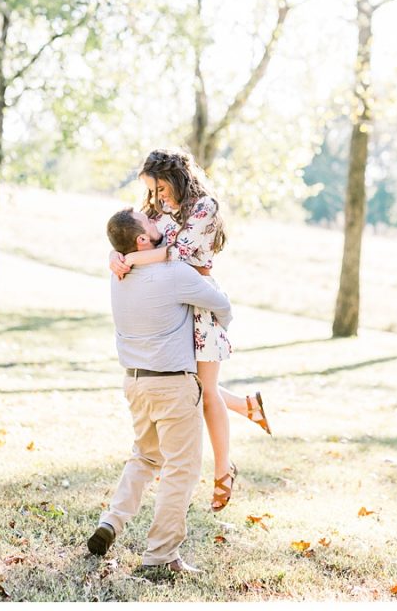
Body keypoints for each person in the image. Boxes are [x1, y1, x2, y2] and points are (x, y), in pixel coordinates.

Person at [108, 148, 269, 511]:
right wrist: (116, 256)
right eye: (152, 191)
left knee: (207, 393)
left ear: (173, 177)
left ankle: (223, 473)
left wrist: (133, 258)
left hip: (197, 301)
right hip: (170, 308)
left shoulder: (204, 207)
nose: (157, 197)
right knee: (192, 386)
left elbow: (179, 252)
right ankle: (248, 407)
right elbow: (132, 235)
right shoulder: (156, 210)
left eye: (160, 188)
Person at [89, 207, 233, 574]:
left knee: (145, 457)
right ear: (142, 239)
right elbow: (223, 307)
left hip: (135, 381)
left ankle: (112, 522)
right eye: (150, 222)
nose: (158, 220)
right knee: (180, 470)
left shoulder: (119, 274)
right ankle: (161, 555)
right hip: (173, 383)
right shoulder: (174, 273)